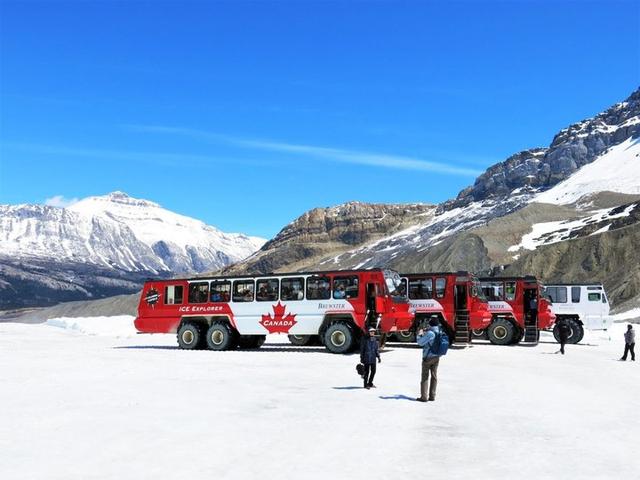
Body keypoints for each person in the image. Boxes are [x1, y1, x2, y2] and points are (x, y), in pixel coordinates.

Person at [416, 318, 443, 402]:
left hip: (428, 357)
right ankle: (432, 396)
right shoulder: (440, 331)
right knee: (434, 376)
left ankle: (424, 397)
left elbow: (420, 343)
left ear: (430, 324)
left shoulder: (430, 333)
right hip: (437, 356)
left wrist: (419, 335)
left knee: (425, 377)